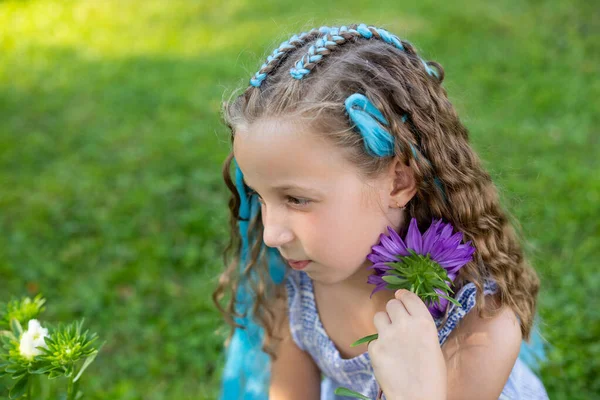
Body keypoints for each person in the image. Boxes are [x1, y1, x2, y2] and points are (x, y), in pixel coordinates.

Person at [212, 23, 549, 399]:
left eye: (296, 199)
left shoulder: (480, 323)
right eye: (259, 196)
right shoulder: (295, 296)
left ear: (398, 182)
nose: (271, 234)